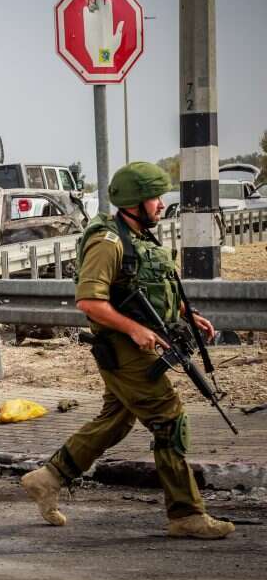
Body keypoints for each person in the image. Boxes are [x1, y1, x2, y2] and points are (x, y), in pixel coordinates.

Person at [21, 161, 234, 539]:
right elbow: (89, 301)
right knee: (169, 419)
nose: (159, 204)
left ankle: (48, 477)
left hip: (137, 345)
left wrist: (186, 312)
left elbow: (146, 289)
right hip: (122, 349)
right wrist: (135, 329)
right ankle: (186, 513)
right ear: (134, 201)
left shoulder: (137, 237)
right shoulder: (109, 241)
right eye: (153, 197)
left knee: (117, 419)